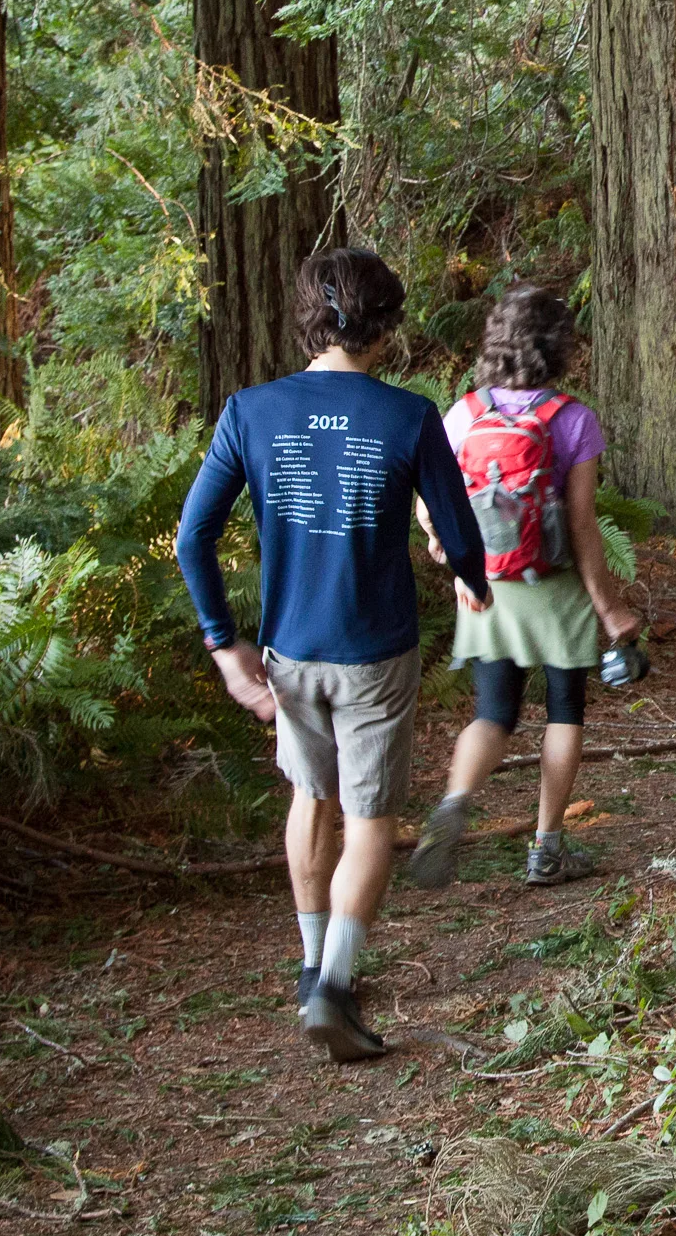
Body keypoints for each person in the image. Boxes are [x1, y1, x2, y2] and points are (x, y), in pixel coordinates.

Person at [176, 247, 483, 1066]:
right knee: (371, 816)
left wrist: (222, 642)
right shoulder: (409, 416)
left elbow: (191, 536)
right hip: (375, 653)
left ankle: (313, 965)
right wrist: (473, 583)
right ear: (384, 325)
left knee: (311, 797)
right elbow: (459, 536)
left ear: (308, 317)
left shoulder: (250, 411)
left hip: (287, 653)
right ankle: (337, 988)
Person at [407, 286, 644, 892]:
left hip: (486, 587)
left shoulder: (461, 415)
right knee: (565, 709)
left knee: (494, 712)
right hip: (555, 585)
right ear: (557, 346)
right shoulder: (573, 419)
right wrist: (610, 607)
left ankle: (455, 800)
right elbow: (584, 524)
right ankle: (546, 849)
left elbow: (430, 507)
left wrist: (456, 561)